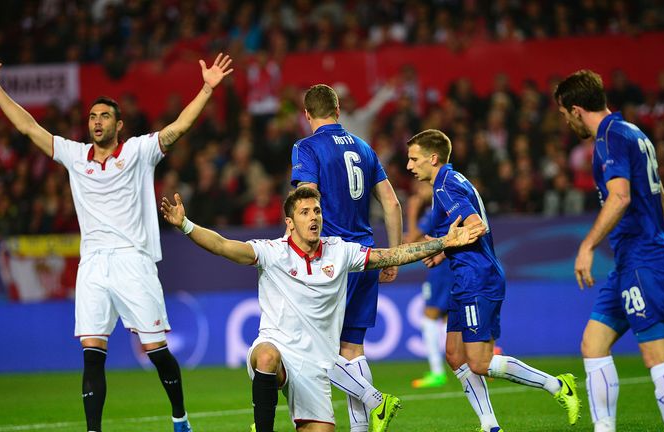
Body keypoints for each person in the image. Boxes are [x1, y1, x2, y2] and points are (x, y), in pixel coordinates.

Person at [0, 53, 234, 432]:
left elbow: (178, 128)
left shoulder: (139, 152)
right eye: (92, 116)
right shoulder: (76, 157)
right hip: (92, 264)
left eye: (104, 116)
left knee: (156, 351)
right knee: (92, 352)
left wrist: (207, 87)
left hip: (133, 260)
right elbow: (29, 128)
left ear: (118, 125)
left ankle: (180, 417)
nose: (96, 121)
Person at [159, 187, 484, 432]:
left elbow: (392, 256)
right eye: (304, 212)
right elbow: (221, 245)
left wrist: (444, 242)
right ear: (290, 222)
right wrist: (185, 224)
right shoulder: (272, 253)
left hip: (317, 369)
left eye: (316, 210)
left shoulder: (340, 252)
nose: (313, 217)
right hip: (278, 350)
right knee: (267, 357)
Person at [406, 129, 581, 432]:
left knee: (479, 362)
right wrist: (444, 252)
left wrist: (441, 246)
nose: (409, 166)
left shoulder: (445, 187)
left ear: (433, 159)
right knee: (454, 355)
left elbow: (476, 227)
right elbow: (466, 232)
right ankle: (490, 426)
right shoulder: (452, 180)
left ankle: (557, 385)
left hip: (477, 278)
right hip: (464, 277)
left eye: (414, 159)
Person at [555, 70, 664, 432]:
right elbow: (660, 195)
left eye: (565, 114)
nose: (566, 122)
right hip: (634, 257)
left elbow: (620, 196)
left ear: (577, 109)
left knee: (656, 353)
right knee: (593, 343)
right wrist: (657, 237)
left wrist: (587, 246)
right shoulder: (633, 132)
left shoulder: (608, 139)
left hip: (643, 257)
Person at [291, 84, 404, 432]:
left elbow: (305, 197)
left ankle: (375, 401)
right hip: (367, 254)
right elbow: (392, 203)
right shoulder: (364, 147)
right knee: (352, 349)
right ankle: (361, 429)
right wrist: (393, 255)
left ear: (307, 115)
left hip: (330, 258)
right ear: (338, 112)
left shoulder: (306, 147)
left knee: (309, 351)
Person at [403, 182, 452, 388]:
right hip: (451, 266)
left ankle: (437, 372)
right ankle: (487, 353)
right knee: (448, 317)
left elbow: (410, 240)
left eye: (421, 187)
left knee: (430, 317)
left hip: (441, 270)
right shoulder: (444, 205)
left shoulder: (433, 211)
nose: (418, 192)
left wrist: (412, 212)